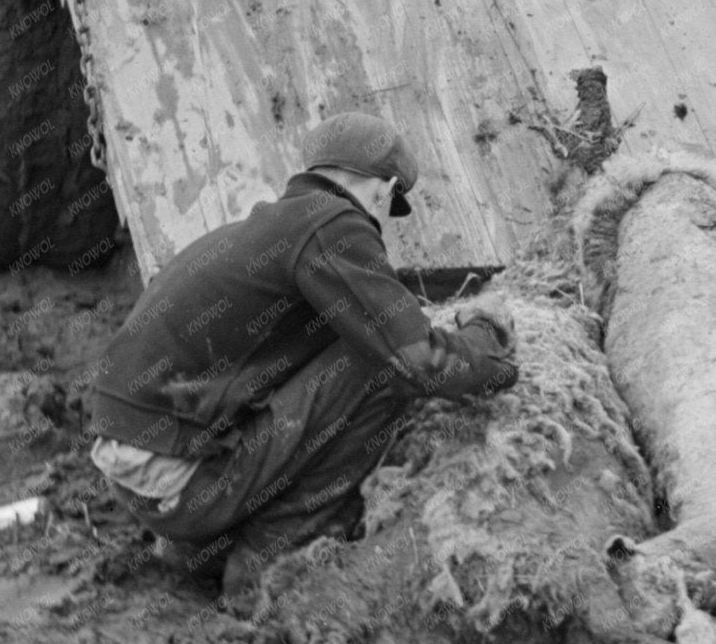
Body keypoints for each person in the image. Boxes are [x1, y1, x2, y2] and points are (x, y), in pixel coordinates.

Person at [87, 111, 519, 605]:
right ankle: (266, 564)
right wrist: (485, 338)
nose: (382, 225)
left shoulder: (274, 228)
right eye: (390, 206)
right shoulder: (333, 224)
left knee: (349, 346)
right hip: (178, 479)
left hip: (138, 470)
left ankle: (200, 549)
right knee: (378, 367)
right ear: (385, 188)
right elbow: (421, 361)